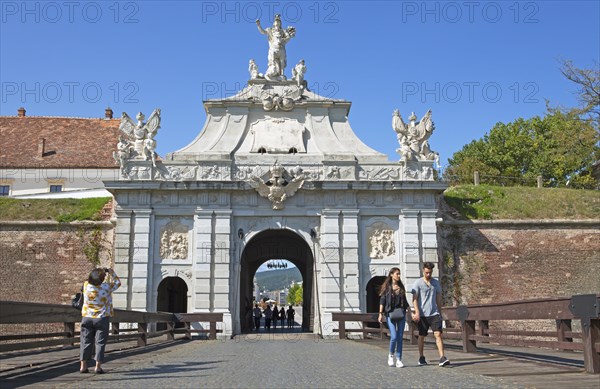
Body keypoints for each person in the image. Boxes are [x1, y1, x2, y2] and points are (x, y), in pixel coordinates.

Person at [79, 267, 121, 374]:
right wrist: (111, 272)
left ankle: (83, 366)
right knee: (100, 343)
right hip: (101, 318)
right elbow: (118, 283)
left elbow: (88, 279)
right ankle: (97, 367)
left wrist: (96, 272)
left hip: (87, 317)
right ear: (102, 280)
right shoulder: (106, 287)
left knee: (85, 340)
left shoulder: (86, 286)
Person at [411, 262, 450, 367]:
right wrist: (417, 312)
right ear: (423, 270)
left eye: (430, 272)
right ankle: (421, 357)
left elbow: (438, 298)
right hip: (423, 314)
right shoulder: (417, 283)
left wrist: (440, 312)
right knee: (422, 335)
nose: (428, 274)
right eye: (427, 272)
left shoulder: (435, 283)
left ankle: (442, 357)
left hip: (434, 313)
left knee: (438, 334)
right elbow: (414, 299)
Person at [378, 267, 411, 368]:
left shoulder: (401, 288)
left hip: (401, 314)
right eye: (397, 274)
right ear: (391, 274)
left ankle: (399, 359)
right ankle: (390, 355)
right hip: (390, 314)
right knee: (394, 337)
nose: (399, 276)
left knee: (400, 337)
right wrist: (380, 313)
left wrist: (411, 311)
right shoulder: (387, 288)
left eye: (399, 274)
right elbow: (382, 301)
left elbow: (405, 302)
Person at [255, 14, 296, 81]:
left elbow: (288, 38)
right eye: (276, 22)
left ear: (280, 24)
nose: (277, 24)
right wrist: (258, 25)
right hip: (273, 48)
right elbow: (263, 32)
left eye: (278, 22)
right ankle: (273, 71)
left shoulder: (283, 31)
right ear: (274, 23)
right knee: (273, 62)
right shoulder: (270, 30)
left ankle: (282, 74)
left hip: (281, 48)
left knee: (282, 61)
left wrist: (285, 38)